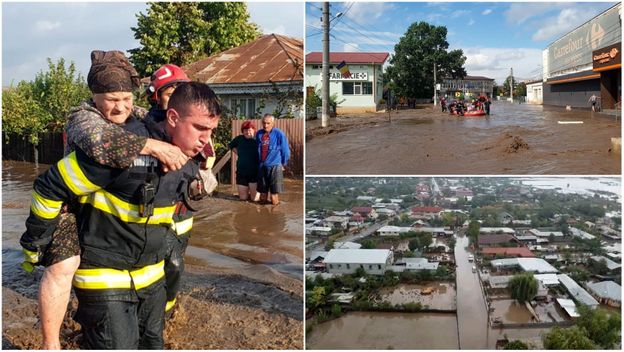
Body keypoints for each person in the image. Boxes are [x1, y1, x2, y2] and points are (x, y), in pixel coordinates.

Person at [21, 81, 221, 349]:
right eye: (200, 128)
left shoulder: (190, 154)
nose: (206, 140)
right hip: (104, 278)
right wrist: (37, 241)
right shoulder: (121, 150)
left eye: (211, 131)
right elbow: (49, 186)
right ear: (173, 117)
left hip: (151, 279)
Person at [256, 114, 290, 205]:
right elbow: (257, 150)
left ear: (273, 123)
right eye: (264, 123)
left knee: (274, 195)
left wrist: (283, 163)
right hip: (262, 166)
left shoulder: (279, 134)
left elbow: (285, 151)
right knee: (262, 194)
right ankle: (263, 214)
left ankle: (274, 214)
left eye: (268, 123)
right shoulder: (259, 134)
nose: (265, 125)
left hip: (275, 166)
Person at [229, 120, 260, 201]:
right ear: (242, 131)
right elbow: (231, 145)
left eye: (249, 129)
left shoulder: (258, 139)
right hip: (241, 173)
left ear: (254, 130)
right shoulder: (239, 139)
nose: (247, 132)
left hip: (255, 173)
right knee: (243, 199)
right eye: (245, 130)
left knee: (255, 199)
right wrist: (239, 153)